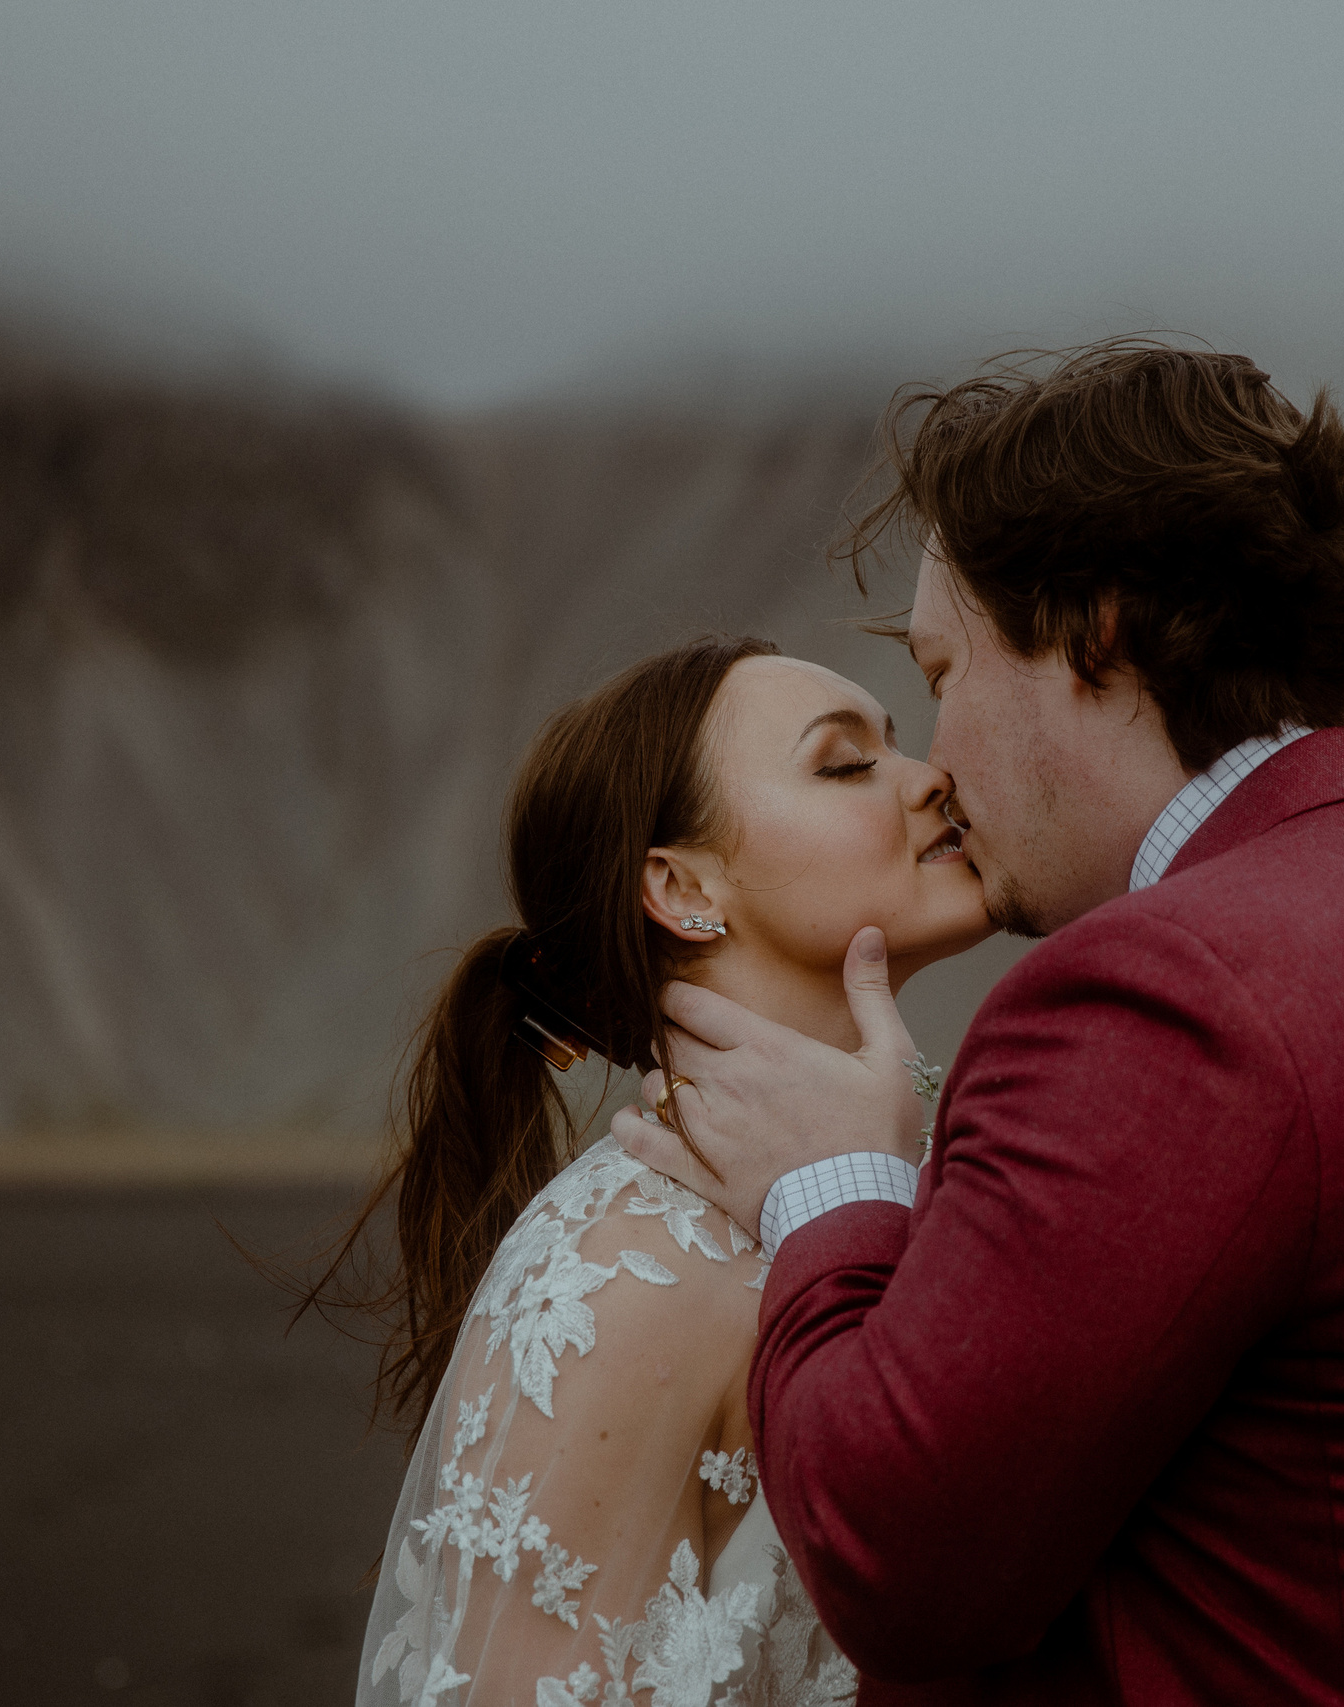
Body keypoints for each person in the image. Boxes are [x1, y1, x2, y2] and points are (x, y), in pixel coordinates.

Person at [619, 341, 1344, 1703]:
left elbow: (898, 1565)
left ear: (1095, 632)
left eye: (949, 670)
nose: (942, 759)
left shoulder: (1169, 993)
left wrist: (834, 1184)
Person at [314, 635, 990, 1706]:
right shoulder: (627, 1271)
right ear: (679, 889)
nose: (933, 779)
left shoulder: (956, 1168)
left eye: (899, 743)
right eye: (846, 763)